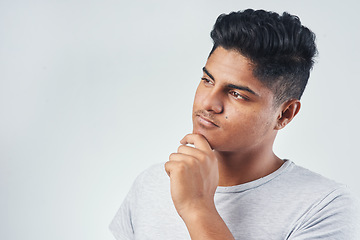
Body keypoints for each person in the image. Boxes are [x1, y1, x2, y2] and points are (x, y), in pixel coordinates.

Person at [109, 9, 359, 239]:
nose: (208, 103)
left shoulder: (323, 206)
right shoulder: (151, 184)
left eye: (237, 94)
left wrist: (198, 209)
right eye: (207, 80)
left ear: (285, 114)